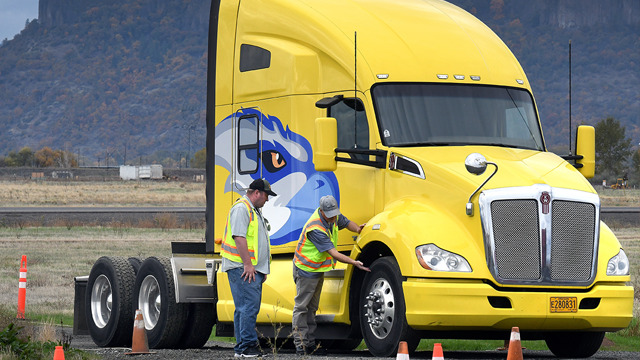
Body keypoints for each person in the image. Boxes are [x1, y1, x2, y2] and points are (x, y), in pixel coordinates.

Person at [292, 195, 370, 355]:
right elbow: (333, 253)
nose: (334, 218)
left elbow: (347, 223)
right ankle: (301, 345)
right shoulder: (316, 228)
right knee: (302, 307)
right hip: (305, 269)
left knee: (312, 308)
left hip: (317, 269)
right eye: (331, 215)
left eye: (335, 213)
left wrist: (358, 229)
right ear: (322, 211)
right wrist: (354, 262)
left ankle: (310, 344)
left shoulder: (333, 216)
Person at [221, 178, 276, 358]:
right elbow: (239, 237)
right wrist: (248, 264)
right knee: (248, 307)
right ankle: (247, 347)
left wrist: (260, 268)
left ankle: (242, 347)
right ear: (257, 193)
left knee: (244, 307)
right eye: (266, 196)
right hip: (241, 266)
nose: (267, 200)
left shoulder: (252, 209)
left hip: (248, 267)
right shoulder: (242, 209)